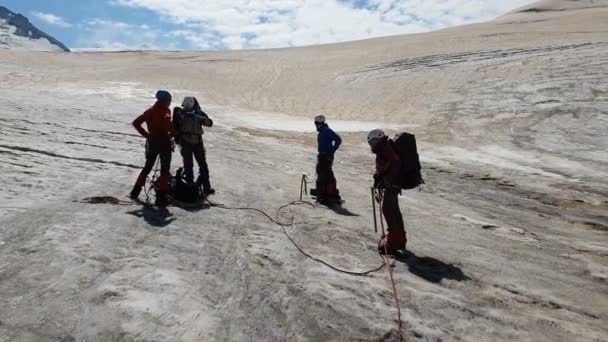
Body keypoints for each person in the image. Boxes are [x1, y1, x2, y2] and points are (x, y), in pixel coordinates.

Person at [129, 90, 174, 206]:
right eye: (169, 100)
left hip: (153, 142)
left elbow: (136, 123)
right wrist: (174, 134)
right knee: (164, 170)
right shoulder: (166, 111)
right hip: (164, 144)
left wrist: (147, 136)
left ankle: (135, 191)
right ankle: (161, 197)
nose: (170, 103)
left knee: (147, 167)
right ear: (165, 101)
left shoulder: (150, 111)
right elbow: (167, 125)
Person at [368, 129, 407, 254]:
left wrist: (389, 178)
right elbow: (387, 165)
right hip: (394, 183)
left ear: (378, 139)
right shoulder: (384, 147)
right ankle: (399, 240)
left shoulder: (385, 148)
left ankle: (394, 243)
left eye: (373, 141)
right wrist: (380, 175)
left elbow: (395, 162)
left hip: (393, 184)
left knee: (388, 210)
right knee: (394, 210)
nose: (372, 144)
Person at [172, 96, 215, 195]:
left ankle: (206, 186)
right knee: (188, 165)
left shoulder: (199, 113)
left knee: (202, 165)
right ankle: (190, 186)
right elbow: (175, 124)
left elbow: (209, 123)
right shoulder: (180, 113)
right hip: (186, 141)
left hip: (197, 142)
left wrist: (201, 118)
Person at [313, 115, 342, 204]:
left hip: (326, 157)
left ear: (318, 123)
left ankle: (321, 196)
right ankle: (324, 193)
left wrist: (331, 151)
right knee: (324, 173)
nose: (315, 125)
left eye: (316, 123)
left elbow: (338, 139)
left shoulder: (326, 131)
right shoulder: (323, 131)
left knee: (322, 175)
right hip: (323, 156)